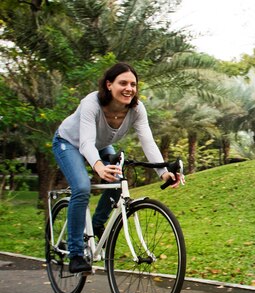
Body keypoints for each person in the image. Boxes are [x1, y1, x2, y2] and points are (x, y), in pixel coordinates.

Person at [52, 62, 183, 274]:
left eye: (133, 84)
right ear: (109, 85)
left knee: (118, 180)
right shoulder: (91, 103)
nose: (129, 88)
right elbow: (85, 142)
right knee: (82, 187)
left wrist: (164, 172)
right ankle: (75, 253)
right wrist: (98, 167)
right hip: (69, 142)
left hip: (100, 145)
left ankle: (94, 227)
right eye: (123, 83)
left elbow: (148, 142)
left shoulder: (137, 109)